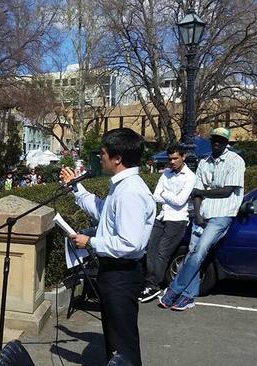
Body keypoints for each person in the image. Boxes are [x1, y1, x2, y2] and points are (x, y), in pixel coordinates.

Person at [61, 128, 155, 366]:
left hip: (121, 274)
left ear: (117, 158)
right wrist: (75, 187)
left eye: (103, 153)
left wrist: (90, 242)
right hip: (113, 272)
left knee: (123, 343)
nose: (100, 157)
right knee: (114, 338)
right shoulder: (121, 186)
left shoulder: (130, 192)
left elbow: (129, 243)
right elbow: (103, 212)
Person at [160, 127, 245, 311]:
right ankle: (189, 296)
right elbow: (195, 194)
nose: (216, 143)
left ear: (226, 143)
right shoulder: (204, 161)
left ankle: (174, 290)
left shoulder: (235, 160)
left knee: (200, 250)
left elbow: (227, 191)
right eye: (214, 139)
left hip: (222, 214)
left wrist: (202, 192)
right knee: (192, 252)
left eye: (220, 140)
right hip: (203, 214)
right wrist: (197, 215)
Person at [139, 144, 196, 303]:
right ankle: (149, 283)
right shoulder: (166, 174)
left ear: (183, 157)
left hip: (177, 220)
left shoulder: (190, 176)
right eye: (169, 159)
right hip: (162, 216)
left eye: (175, 158)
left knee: (163, 252)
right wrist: (169, 195)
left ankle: (153, 285)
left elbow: (180, 202)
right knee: (151, 248)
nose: (171, 162)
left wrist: (165, 193)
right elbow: (155, 196)